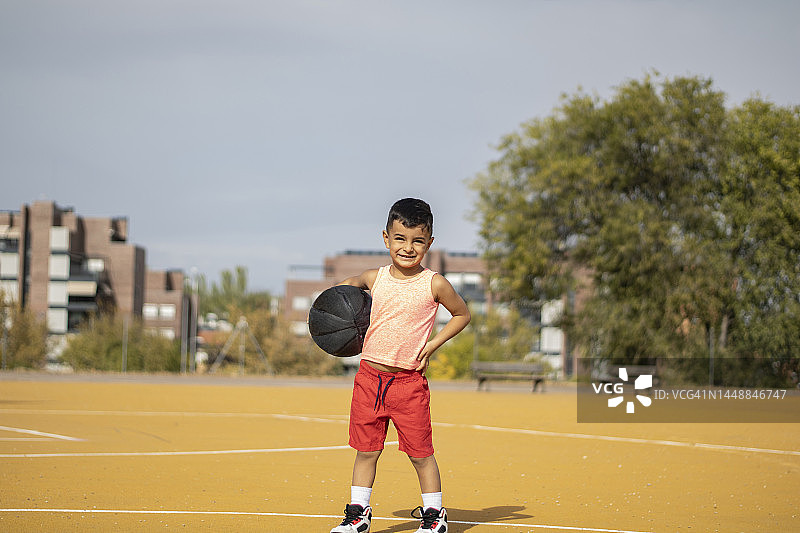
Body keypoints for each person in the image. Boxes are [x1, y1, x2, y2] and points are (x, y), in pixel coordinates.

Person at [330, 198, 471, 533]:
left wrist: (433, 344)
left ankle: (435, 516)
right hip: (369, 379)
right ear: (386, 238)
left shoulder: (434, 283)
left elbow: (462, 314)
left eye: (417, 241)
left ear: (429, 243)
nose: (408, 248)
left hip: (408, 384)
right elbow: (346, 288)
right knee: (366, 451)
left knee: (420, 454)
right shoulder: (374, 278)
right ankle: (358, 515)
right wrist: (337, 307)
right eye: (400, 239)